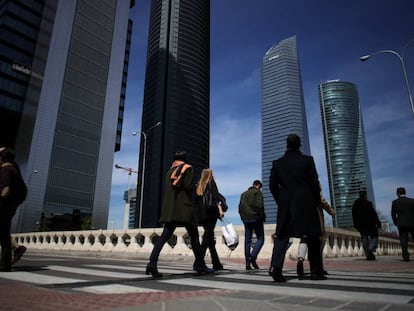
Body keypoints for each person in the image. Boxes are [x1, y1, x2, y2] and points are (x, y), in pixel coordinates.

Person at [146, 151, 214, 278]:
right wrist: (195, 187)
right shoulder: (187, 168)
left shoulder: (169, 172)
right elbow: (188, 187)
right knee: (194, 237)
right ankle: (200, 265)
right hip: (184, 209)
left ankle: (152, 263)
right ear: (184, 159)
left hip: (170, 209)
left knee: (164, 236)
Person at [269, 134, 325, 282]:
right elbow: (314, 183)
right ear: (299, 145)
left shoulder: (277, 163)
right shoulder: (307, 160)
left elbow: (272, 186)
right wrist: (316, 201)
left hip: (286, 202)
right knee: (312, 235)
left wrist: (281, 200)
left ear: (286, 145)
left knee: (282, 235)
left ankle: (275, 267)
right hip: (305, 201)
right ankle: (316, 271)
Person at [296, 192, 335, 277]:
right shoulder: (313, 180)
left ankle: (300, 259)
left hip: (302, 213)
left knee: (304, 238)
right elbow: (321, 199)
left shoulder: (299, 182)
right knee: (317, 241)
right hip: (314, 214)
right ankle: (317, 268)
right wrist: (331, 211)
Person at [0, 147, 26, 272]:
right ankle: (7, 262)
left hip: (3, 206)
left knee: (3, 235)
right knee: (4, 234)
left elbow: (4, 190)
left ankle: (6, 262)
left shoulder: (6, 170)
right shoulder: (15, 170)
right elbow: (24, 191)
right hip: (10, 206)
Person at [195, 168, 225, 271]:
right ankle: (198, 262)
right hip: (211, 213)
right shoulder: (211, 183)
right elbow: (216, 198)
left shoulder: (199, 186)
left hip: (202, 215)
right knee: (207, 237)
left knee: (210, 239)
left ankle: (216, 263)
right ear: (210, 175)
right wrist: (220, 210)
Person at [239, 180, 265, 270]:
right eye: (260, 187)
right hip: (256, 219)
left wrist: (243, 218)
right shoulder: (258, 192)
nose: (260, 188)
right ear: (257, 185)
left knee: (247, 241)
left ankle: (247, 263)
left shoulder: (243, 194)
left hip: (246, 220)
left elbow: (240, 208)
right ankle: (252, 257)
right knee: (261, 238)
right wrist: (261, 217)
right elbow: (260, 206)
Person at [352, 190, 381, 261]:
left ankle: (368, 254)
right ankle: (370, 249)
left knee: (364, 239)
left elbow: (354, 216)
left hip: (361, 225)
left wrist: (355, 224)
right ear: (365, 195)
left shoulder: (355, 205)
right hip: (370, 224)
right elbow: (374, 214)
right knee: (374, 236)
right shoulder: (368, 203)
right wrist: (378, 223)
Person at [391, 187, 414, 262]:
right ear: (405, 192)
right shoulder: (412, 201)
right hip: (412, 223)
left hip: (401, 224)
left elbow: (393, 214)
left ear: (398, 193)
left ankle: (406, 256)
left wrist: (395, 222)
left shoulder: (395, 202)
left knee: (403, 240)